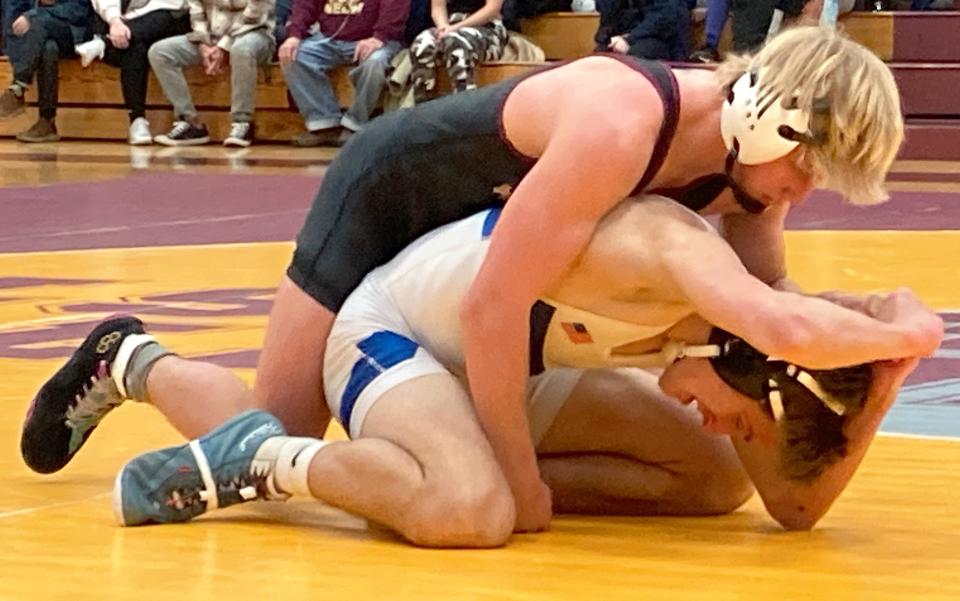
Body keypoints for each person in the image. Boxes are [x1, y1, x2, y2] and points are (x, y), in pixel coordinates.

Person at [22, 28, 931, 536]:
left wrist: (869, 343)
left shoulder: (748, 182)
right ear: (772, 120)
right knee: (287, 422)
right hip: (394, 197)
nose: (805, 195)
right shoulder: (624, 123)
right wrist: (515, 474)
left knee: (660, 468)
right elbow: (494, 302)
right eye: (810, 170)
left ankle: (437, 454)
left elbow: (764, 322)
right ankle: (131, 359)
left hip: (481, 253)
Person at [106, 194, 939, 546]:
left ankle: (132, 358)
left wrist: (886, 375)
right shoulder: (668, 258)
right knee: (472, 509)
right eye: (745, 414)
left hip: (495, 363)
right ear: (746, 353)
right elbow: (484, 316)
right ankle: (267, 458)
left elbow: (792, 503)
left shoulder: (741, 325)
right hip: (398, 331)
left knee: (717, 479)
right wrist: (507, 475)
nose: (724, 424)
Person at [277, 0, 410, 148]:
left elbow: (396, 6)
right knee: (294, 56)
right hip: (329, 39)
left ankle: (355, 125)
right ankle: (324, 124)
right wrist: (294, 36)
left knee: (375, 63)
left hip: (377, 39)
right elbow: (304, 5)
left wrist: (379, 36)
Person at [147, 0, 275, 146]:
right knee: (160, 52)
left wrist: (223, 46)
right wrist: (203, 42)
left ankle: (242, 123)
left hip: (254, 32)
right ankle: (190, 124)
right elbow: (196, 12)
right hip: (213, 36)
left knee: (241, 50)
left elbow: (254, 15)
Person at [72, 0, 190, 145]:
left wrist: (128, 25)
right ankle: (138, 120)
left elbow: (173, 5)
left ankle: (103, 43)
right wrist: (115, 21)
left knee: (164, 19)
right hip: (122, 30)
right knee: (135, 47)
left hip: (166, 21)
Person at [0, 0, 92, 142]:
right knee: (49, 48)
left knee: (39, 22)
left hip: (70, 32)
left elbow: (78, 11)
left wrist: (34, 14)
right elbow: (13, 22)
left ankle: (18, 86)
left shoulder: (34, 17)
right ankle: (46, 122)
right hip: (35, 39)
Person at [408, 0, 507, 101]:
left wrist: (456, 28)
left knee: (455, 43)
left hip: (487, 26)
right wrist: (443, 27)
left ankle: (464, 104)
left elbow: (492, 10)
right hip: (450, 25)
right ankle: (424, 107)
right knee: (421, 45)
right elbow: (437, 8)